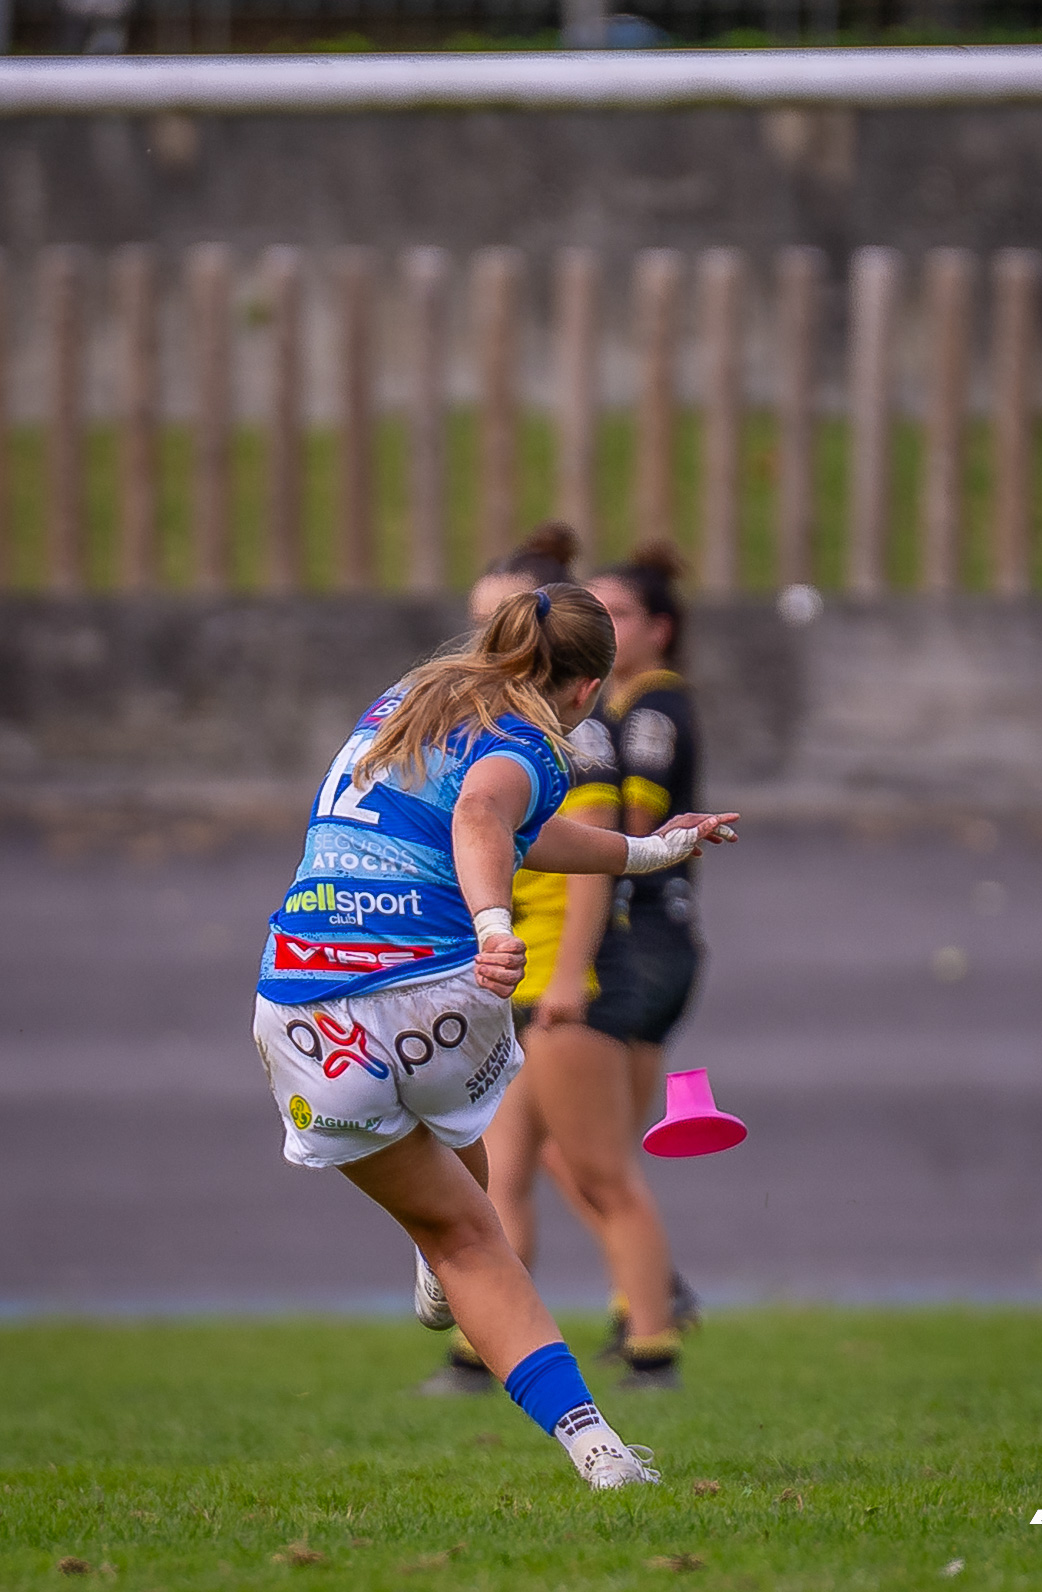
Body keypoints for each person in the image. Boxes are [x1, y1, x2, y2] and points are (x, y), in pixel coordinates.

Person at [252, 583, 738, 1488]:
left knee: (455, 1212)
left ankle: (438, 1259)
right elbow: (486, 814)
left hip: (299, 1006)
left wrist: (646, 851)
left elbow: (509, 825)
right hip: (432, 989)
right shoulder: (538, 740)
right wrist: (491, 924)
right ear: (587, 688)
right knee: (476, 1227)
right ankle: (600, 1451)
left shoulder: (403, 703)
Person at [425, 526, 684, 1396]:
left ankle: (653, 1345)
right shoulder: (511, 729)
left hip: (562, 984)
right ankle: (478, 1354)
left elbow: (590, 859)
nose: (477, 647)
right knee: (499, 1178)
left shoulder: (571, 741)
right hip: (513, 982)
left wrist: (568, 975)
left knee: (601, 1173)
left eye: (490, 627)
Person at [545, 542, 705, 1362]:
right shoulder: (623, 712)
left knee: (595, 1155)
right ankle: (639, 1295)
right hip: (650, 941)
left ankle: (649, 1306)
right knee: (582, 1146)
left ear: (660, 628)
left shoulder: (642, 716)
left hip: (637, 943)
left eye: (617, 615)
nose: (601, 628)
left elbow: (624, 838)